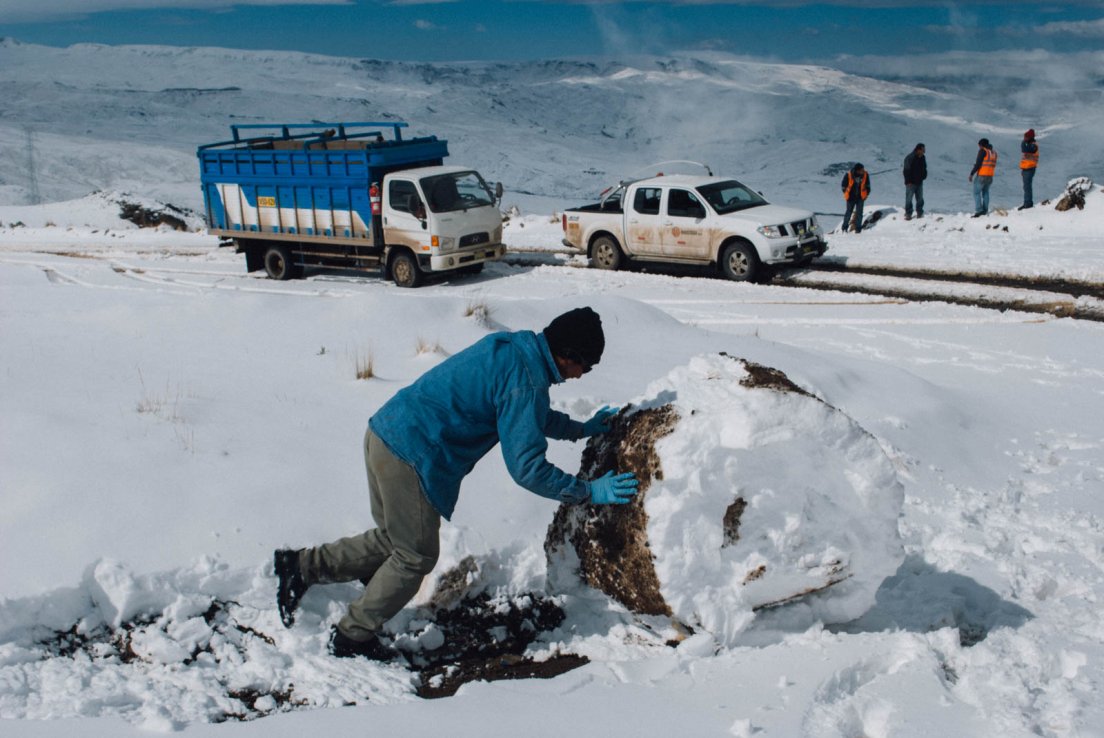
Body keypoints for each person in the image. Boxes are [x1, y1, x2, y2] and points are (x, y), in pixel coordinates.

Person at [274, 307, 640, 660]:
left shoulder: (516, 349)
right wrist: (588, 492)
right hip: (413, 455)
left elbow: (528, 415)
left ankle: (301, 566)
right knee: (415, 556)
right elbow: (526, 467)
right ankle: (353, 635)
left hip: (385, 432)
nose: (583, 375)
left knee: (395, 538)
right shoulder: (525, 380)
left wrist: (580, 429)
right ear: (567, 355)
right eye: (586, 366)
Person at [969, 138, 997, 217]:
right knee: (986, 192)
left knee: (976, 192)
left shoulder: (983, 151)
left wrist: (971, 174)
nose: (979, 147)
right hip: (990, 176)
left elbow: (978, 164)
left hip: (982, 175)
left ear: (982, 145)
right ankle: (985, 210)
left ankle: (979, 210)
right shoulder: (994, 153)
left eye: (979, 146)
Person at [841, 163, 870, 233]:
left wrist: (866, 194)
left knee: (859, 213)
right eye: (861, 170)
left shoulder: (865, 175)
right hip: (850, 198)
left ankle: (858, 229)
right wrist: (846, 193)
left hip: (860, 197)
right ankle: (844, 228)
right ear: (857, 170)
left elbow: (868, 186)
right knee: (848, 213)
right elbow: (843, 186)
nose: (863, 171)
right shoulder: (848, 175)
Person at [902, 143, 927, 220]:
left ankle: (920, 212)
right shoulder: (910, 157)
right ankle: (908, 213)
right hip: (911, 183)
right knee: (909, 198)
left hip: (919, 182)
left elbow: (924, 167)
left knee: (920, 198)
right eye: (923, 150)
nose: (924, 151)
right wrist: (908, 181)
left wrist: (924, 175)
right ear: (918, 150)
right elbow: (906, 170)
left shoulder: (923, 158)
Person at [1019, 129, 1038, 210]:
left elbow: (1026, 150)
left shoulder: (1033, 145)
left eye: (1026, 137)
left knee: (1027, 187)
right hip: (1025, 168)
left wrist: (1023, 142)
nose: (1024, 138)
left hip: (1029, 168)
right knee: (1026, 187)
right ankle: (1027, 202)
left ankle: (1028, 203)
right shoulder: (1029, 144)